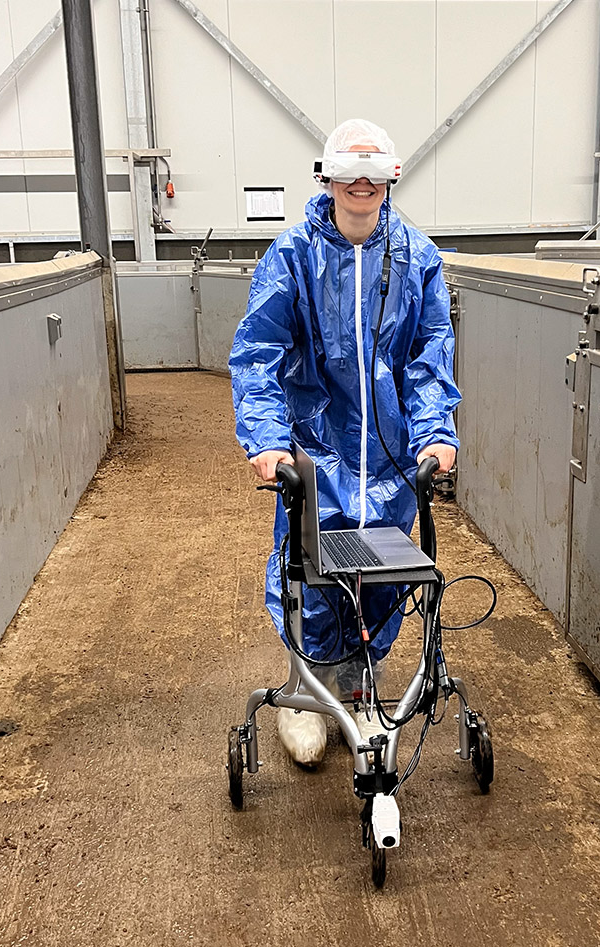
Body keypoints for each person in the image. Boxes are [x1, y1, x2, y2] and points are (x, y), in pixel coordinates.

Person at [229, 118, 461, 767]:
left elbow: (429, 356)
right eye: (348, 172)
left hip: (389, 458)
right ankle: (306, 694)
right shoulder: (293, 256)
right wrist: (268, 439)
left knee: (381, 574)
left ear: (392, 179)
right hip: (313, 453)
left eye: (374, 172)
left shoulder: (416, 259)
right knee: (309, 570)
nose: (362, 184)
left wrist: (435, 432)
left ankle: (360, 687)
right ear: (327, 179)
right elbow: (258, 352)